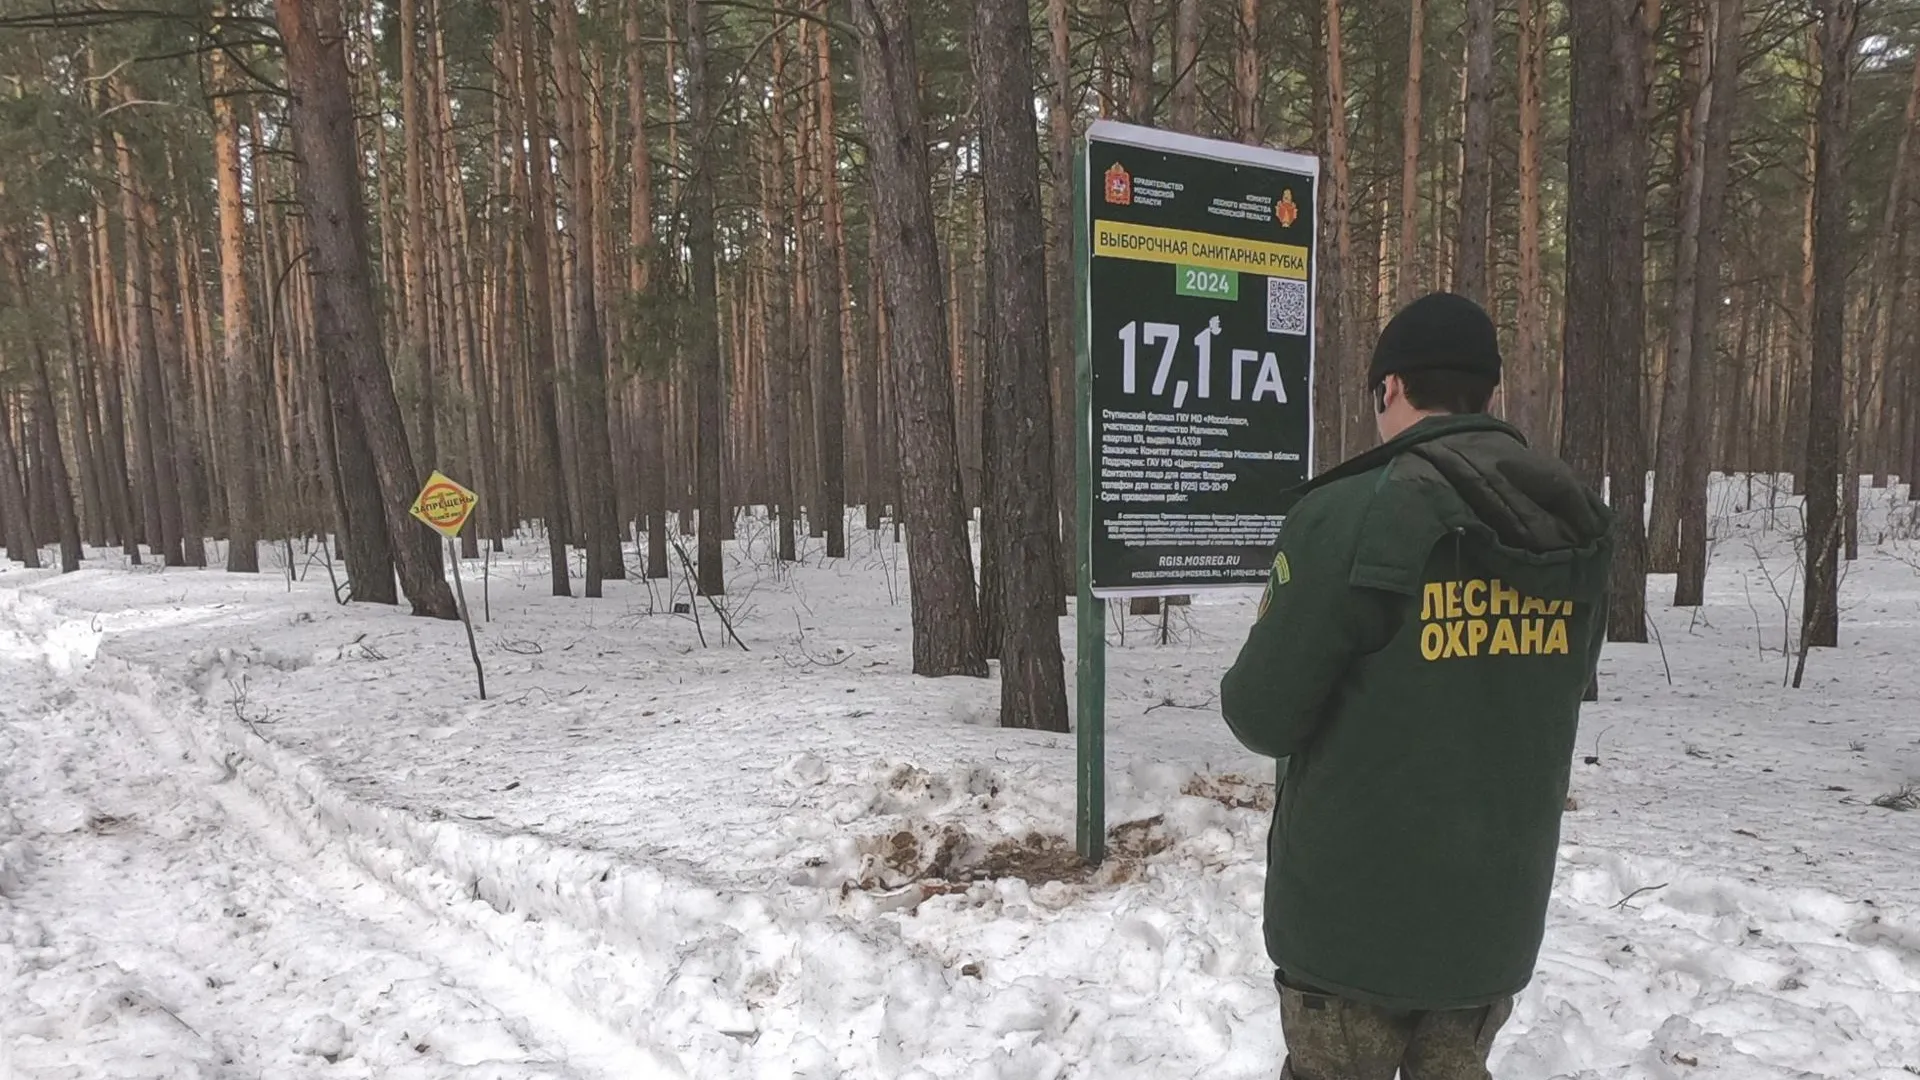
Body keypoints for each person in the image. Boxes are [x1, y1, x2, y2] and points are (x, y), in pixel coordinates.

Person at [1220, 292, 1615, 1080]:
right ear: (1489, 396)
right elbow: (1553, 691)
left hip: (1349, 929)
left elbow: (1263, 714)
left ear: (1390, 389)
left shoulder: (1348, 513)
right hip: (1490, 924)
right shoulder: (1570, 522)